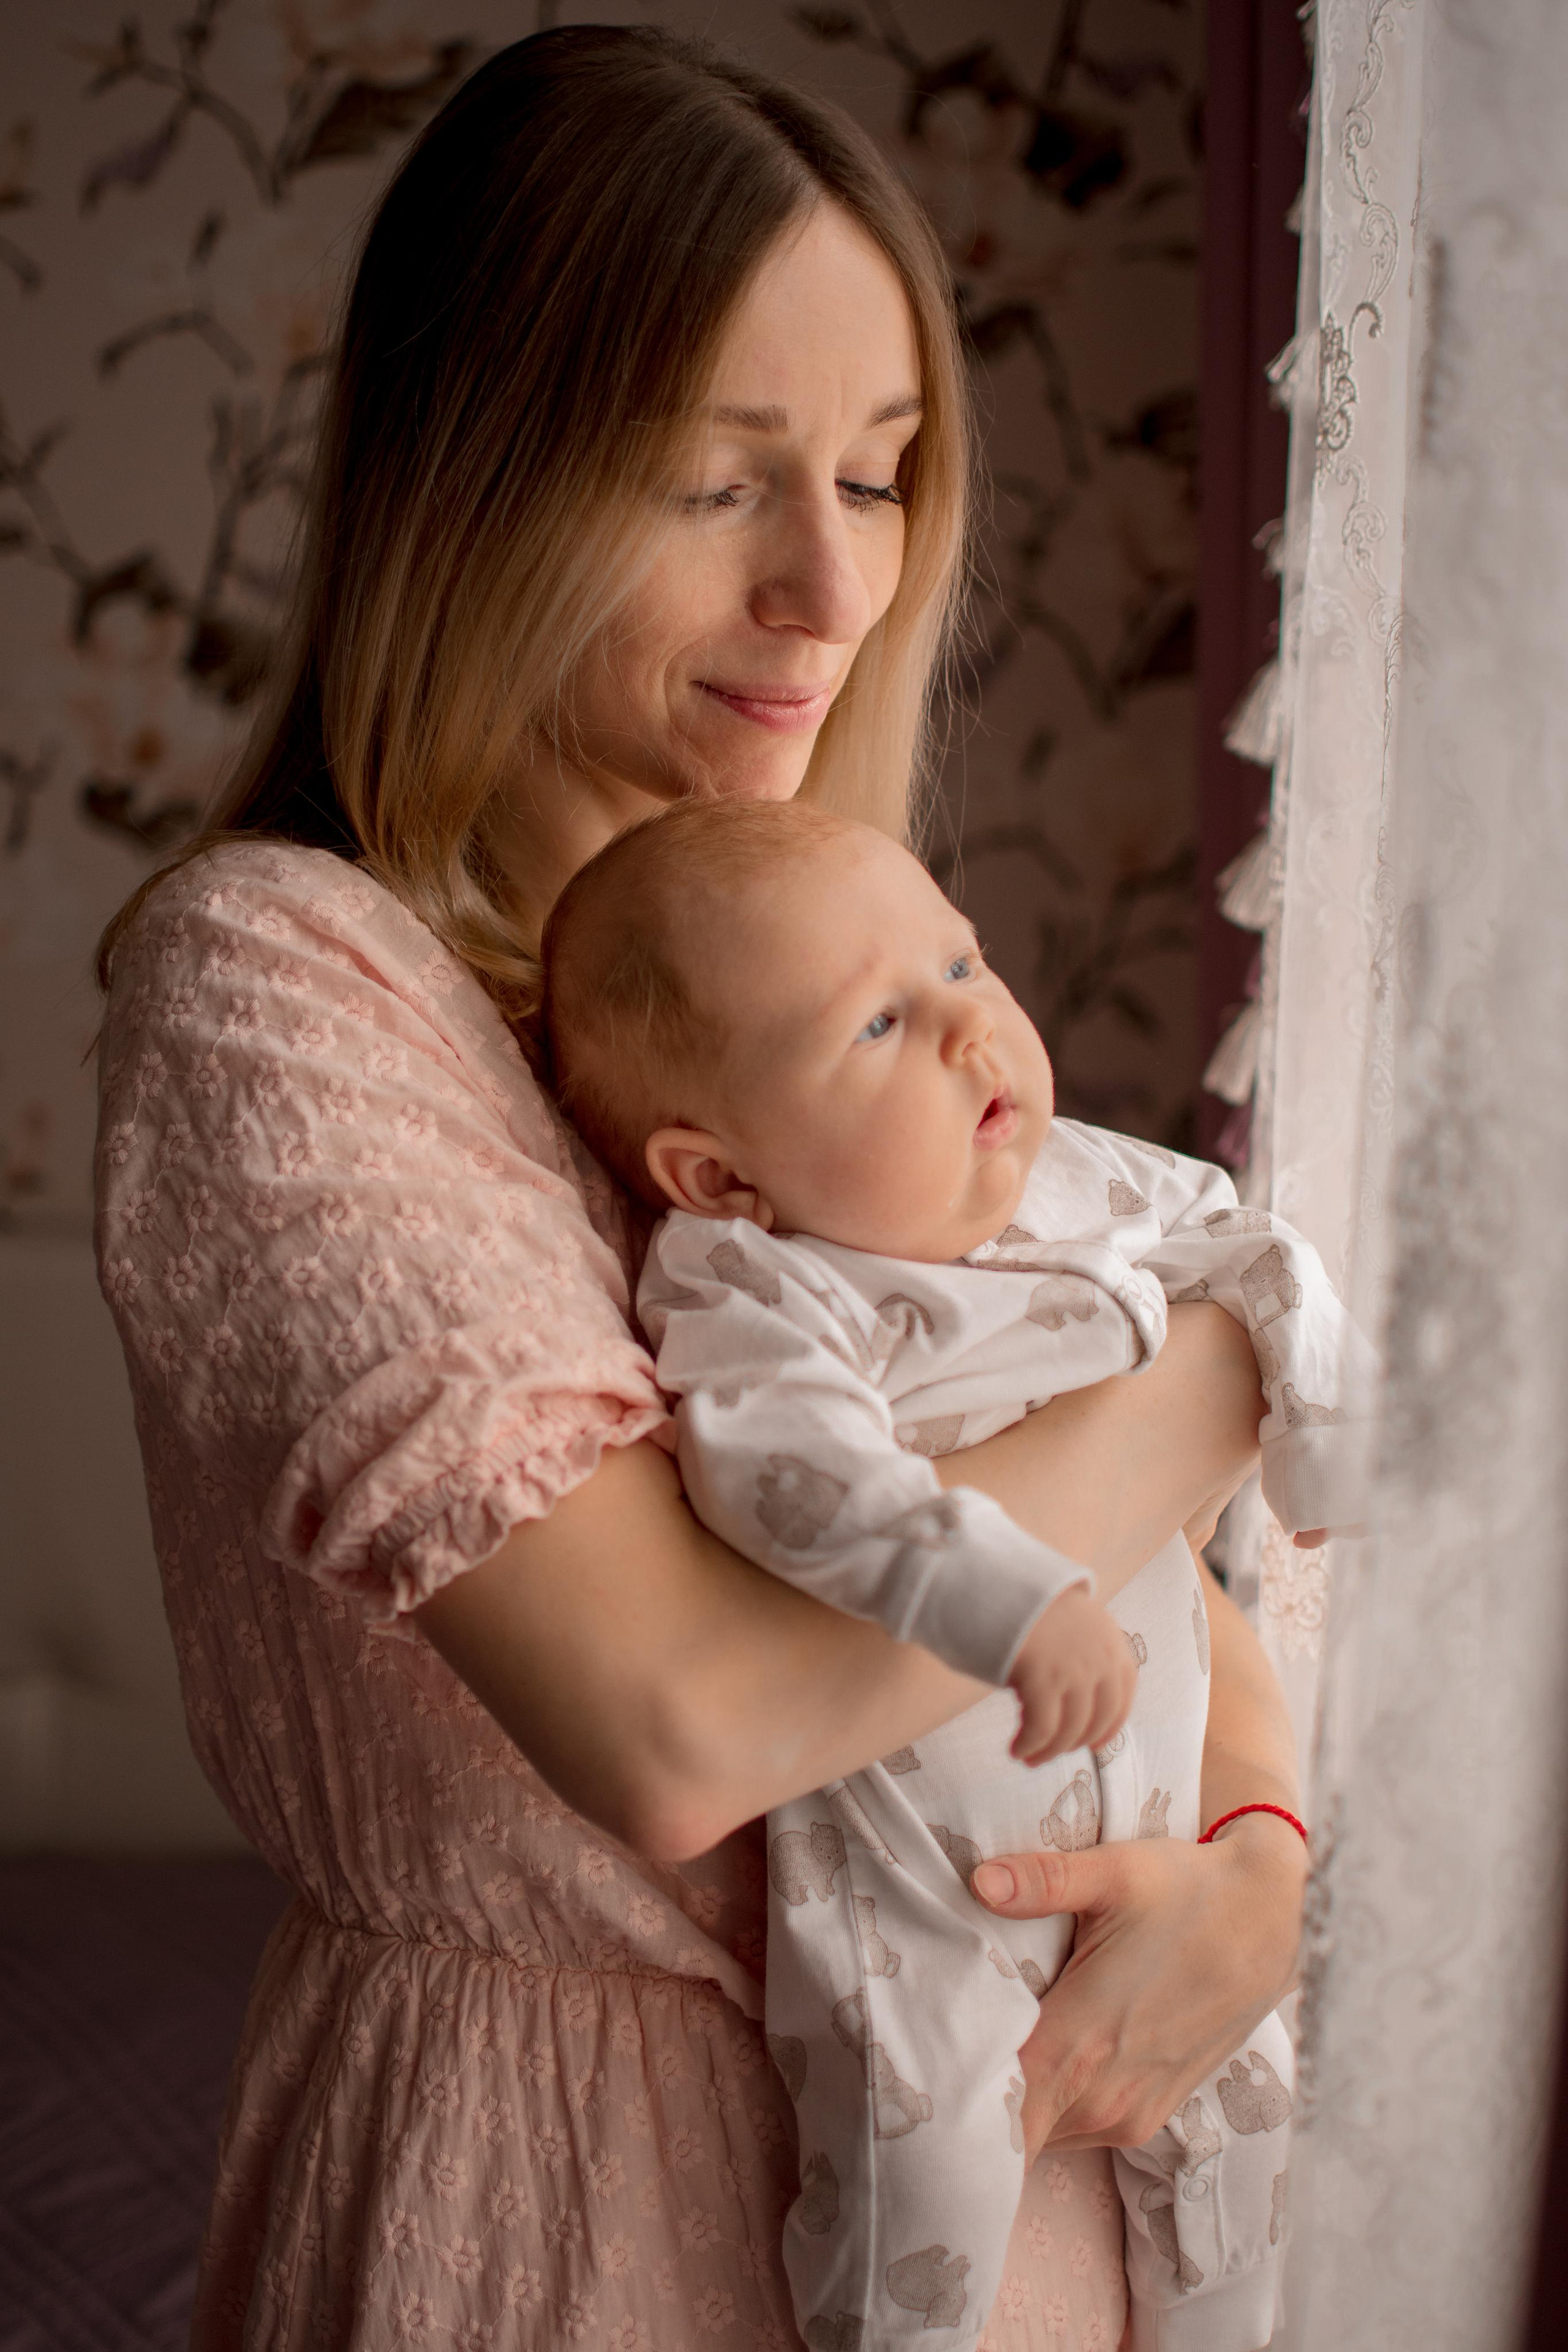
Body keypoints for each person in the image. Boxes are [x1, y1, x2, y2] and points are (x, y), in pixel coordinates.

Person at [94, 26, 1304, 2348]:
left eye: (880, 476)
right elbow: (674, 1729)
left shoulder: (834, 988)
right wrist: (1238, 1356)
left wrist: (1252, 1862)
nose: (827, 587)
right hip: (563, 2203)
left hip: (1019, 2175)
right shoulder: (286, 980)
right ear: (489, 476)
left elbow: (1182, 1616)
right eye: (715, 481)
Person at [540, 796, 1359, 2350]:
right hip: (933, 1888)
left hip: (1162, 1833)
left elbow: (1250, 1253)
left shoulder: (1059, 1188)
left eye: (964, 965)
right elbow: (800, 1485)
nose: (973, 1032)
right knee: (917, 2183)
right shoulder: (757, 1289)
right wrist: (1010, 1588)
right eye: (878, 1024)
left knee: (1249, 2144)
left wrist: (1344, 1428)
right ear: (715, 1174)